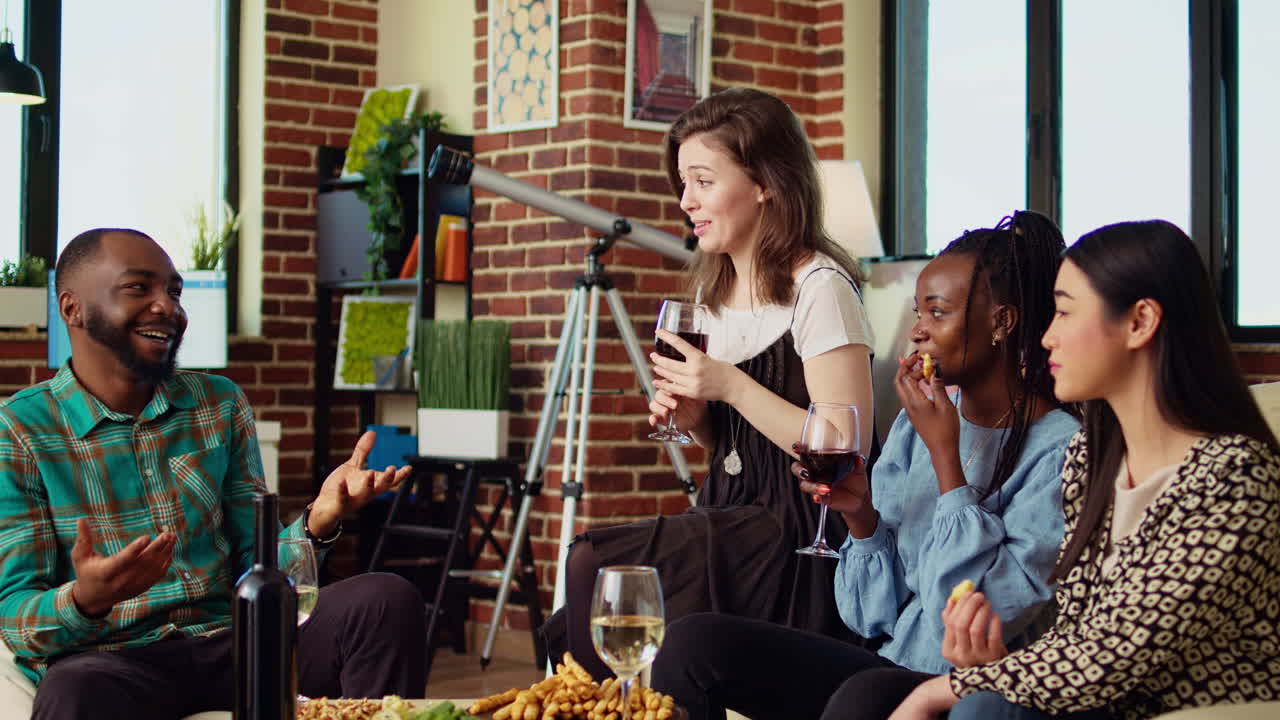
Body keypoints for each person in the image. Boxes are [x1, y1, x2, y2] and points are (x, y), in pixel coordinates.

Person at [651, 210, 1081, 720]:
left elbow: (966, 620)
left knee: (862, 697)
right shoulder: (913, 426)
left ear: (1001, 322)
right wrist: (862, 522)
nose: (917, 333)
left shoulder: (1060, 451)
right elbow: (870, 616)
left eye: (937, 313)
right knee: (690, 643)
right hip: (887, 664)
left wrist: (947, 460)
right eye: (917, 313)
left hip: (964, 687)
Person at [0, 228, 425, 720]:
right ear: (72, 308)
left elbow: (257, 565)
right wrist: (85, 599)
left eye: (174, 292)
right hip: (113, 662)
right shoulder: (21, 430)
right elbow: (15, 612)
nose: (168, 307)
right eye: (140, 288)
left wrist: (318, 521)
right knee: (71, 690)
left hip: (236, 642)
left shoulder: (218, 403)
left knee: (384, 601)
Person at [544, 87, 878, 680]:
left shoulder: (821, 286)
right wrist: (697, 417)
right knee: (583, 593)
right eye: (682, 183)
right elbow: (728, 450)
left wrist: (729, 385)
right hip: (730, 513)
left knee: (592, 562)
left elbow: (846, 447)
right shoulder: (712, 292)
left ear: (766, 183)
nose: (685, 201)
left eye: (702, 181)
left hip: (798, 531)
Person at [888, 220, 1280, 720]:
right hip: (1083, 699)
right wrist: (994, 666)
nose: (1047, 337)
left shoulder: (1234, 479)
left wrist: (944, 689)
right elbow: (1074, 633)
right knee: (871, 692)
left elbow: (1116, 649)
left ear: (1140, 322)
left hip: (1173, 710)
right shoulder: (1092, 461)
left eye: (1065, 314)